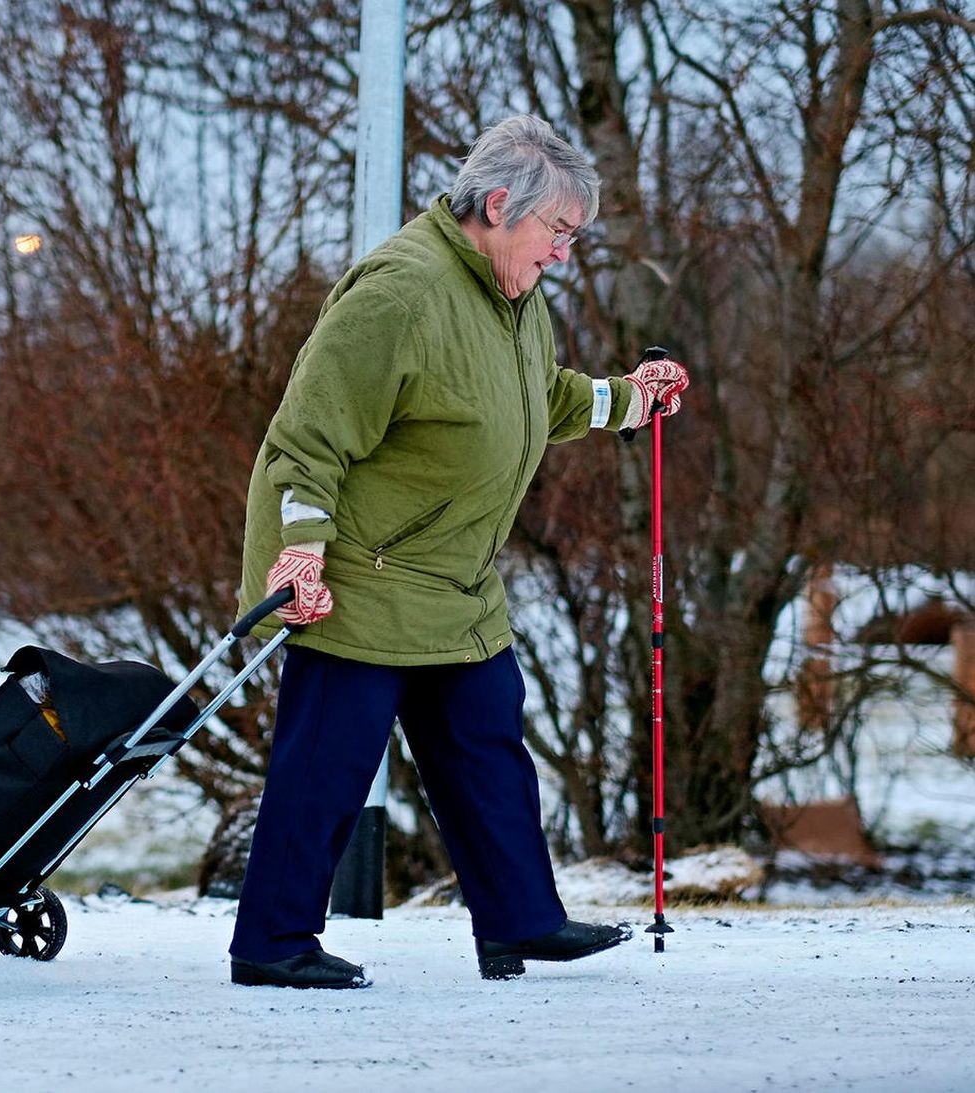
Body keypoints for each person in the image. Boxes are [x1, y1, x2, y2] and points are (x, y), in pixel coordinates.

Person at [228, 114, 690, 989]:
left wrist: (628, 401)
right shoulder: (399, 295)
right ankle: (273, 941)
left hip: (455, 579)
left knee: (485, 743)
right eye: (557, 233)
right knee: (328, 764)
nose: (563, 255)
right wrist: (299, 552)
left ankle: (521, 921)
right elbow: (306, 440)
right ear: (501, 204)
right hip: (357, 573)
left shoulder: (512, 298)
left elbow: (534, 399)